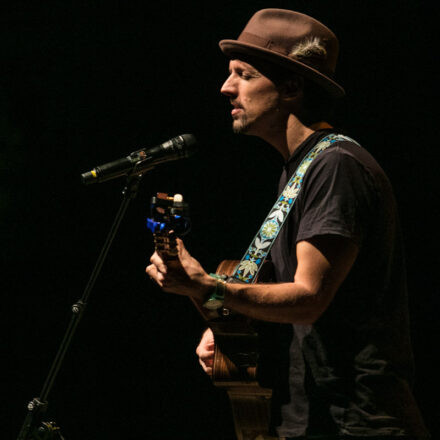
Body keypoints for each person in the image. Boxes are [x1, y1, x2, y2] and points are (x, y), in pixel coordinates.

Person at [146, 9, 430, 440]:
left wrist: (208, 287)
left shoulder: (336, 166)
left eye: (243, 74)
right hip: (313, 416)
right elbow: (274, 293)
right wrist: (219, 321)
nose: (226, 88)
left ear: (292, 87)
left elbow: (308, 298)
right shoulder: (299, 171)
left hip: (359, 421)